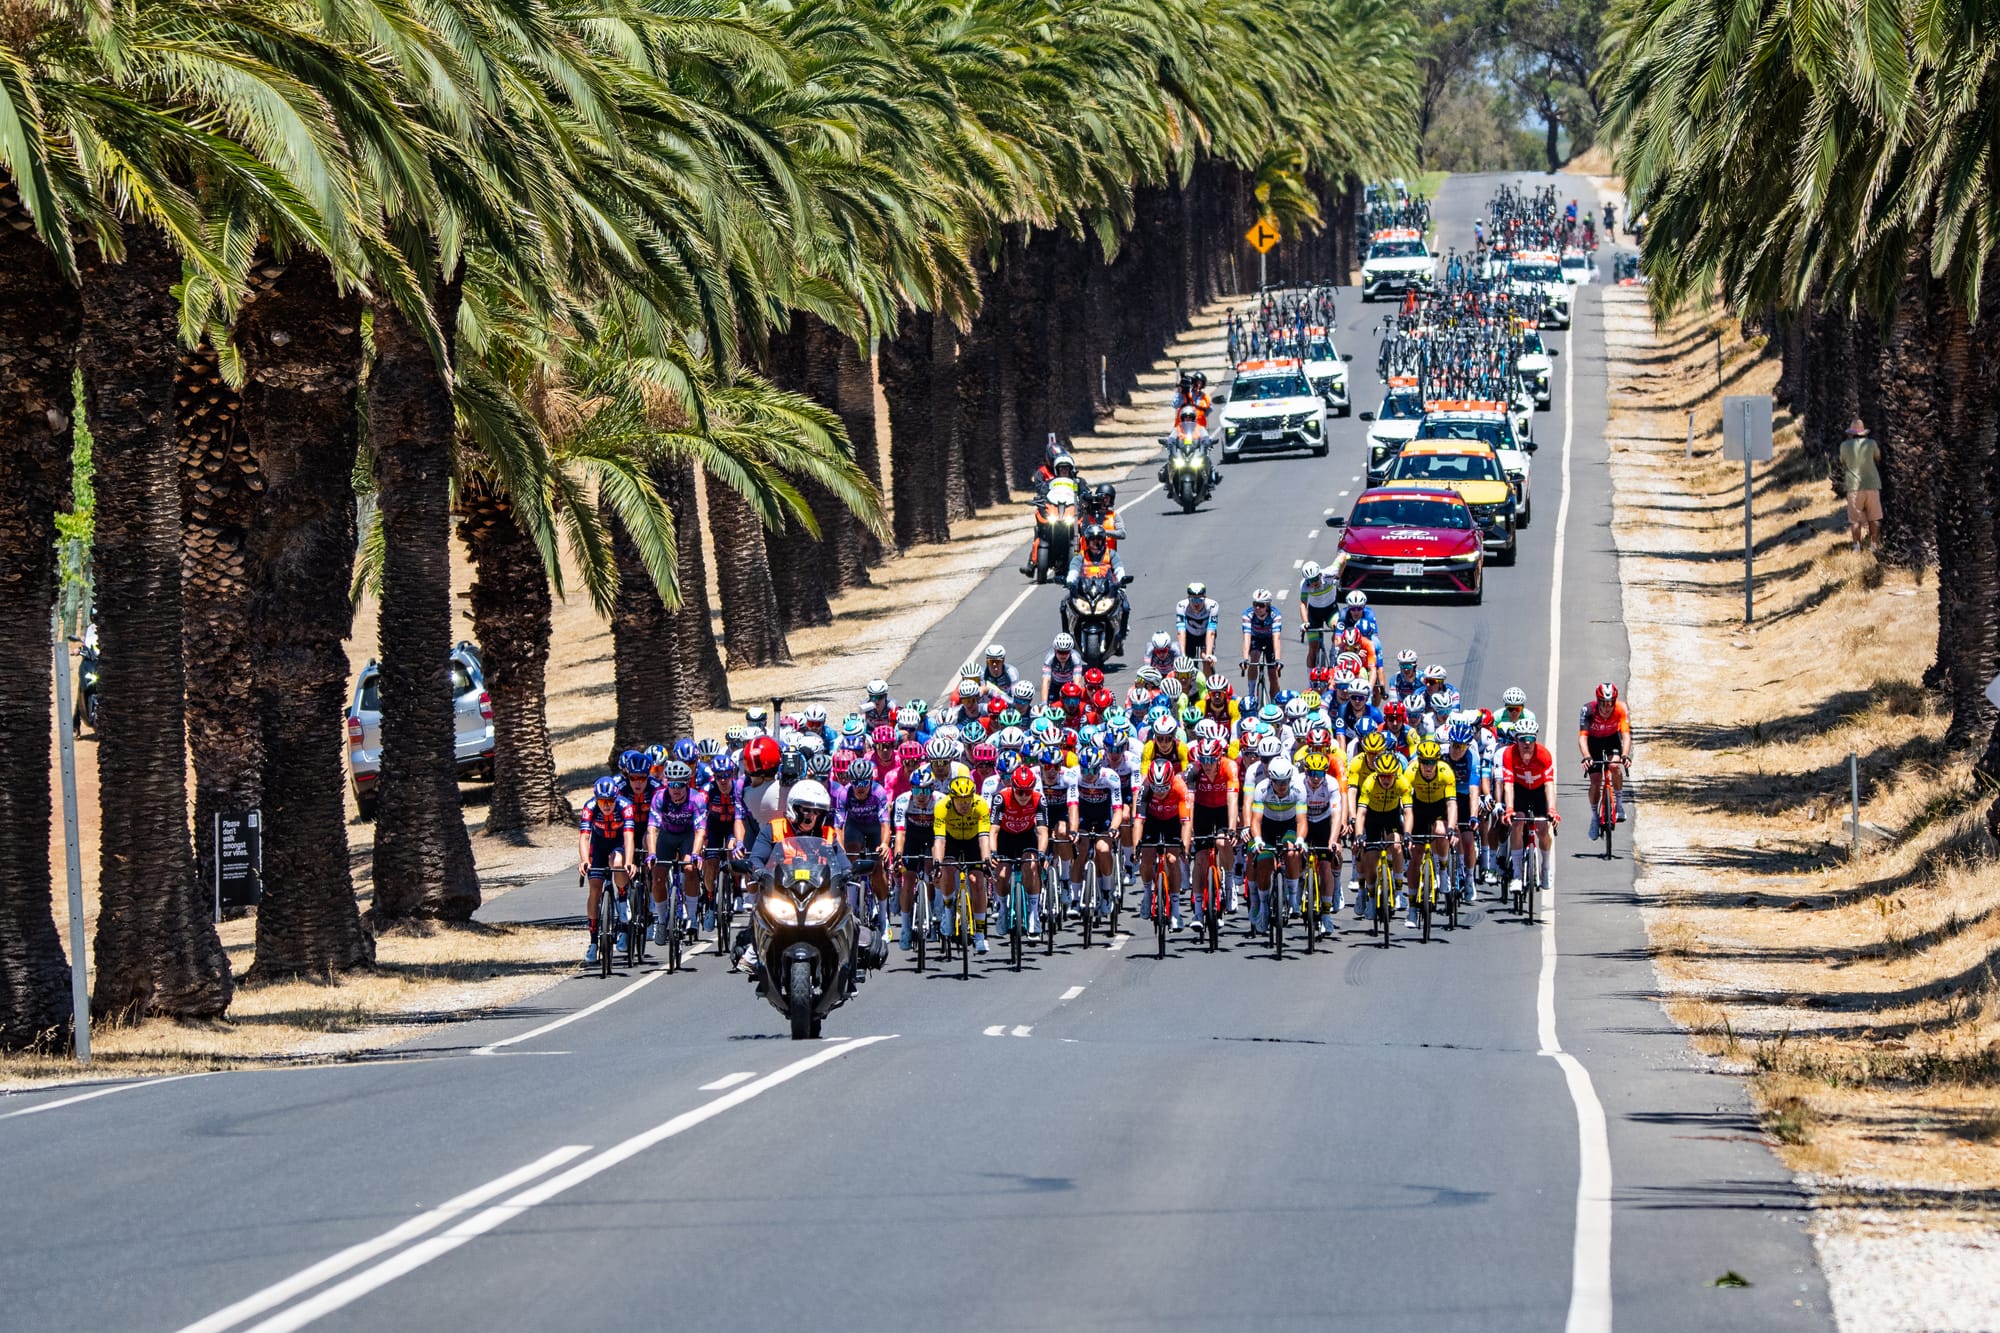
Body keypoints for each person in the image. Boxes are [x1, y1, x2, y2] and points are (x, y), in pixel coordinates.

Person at [932, 774, 993, 955]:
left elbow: (984, 838)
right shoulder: (942, 806)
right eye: (960, 800)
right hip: (951, 840)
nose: (965, 804)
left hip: (974, 840)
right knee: (947, 870)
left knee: (976, 881)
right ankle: (949, 912)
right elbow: (939, 841)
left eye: (968, 799)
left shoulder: (981, 804)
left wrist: (986, 860)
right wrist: (937, 863)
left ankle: (980, 936)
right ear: (952, 798)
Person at [578, 776, 637, 964]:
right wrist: (584, 860)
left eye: (610, 801)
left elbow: (629, 837)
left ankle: (622, 897)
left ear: (616, 797)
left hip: (618, 843)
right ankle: (594, 941)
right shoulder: (589, 808)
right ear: (596, 799)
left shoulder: (625, 806)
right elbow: (584, 838)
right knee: (595, 888)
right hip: (599, 845)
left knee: (618, 863)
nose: (606, 805)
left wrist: (629, 862)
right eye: (602, 801)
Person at [1500, 717, 1557, 902]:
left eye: (1531, 739)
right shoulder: (1509, 754)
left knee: (1542, 830)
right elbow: (1508, 785)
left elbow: (1549, 785)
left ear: (1535, 740)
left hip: (1539, 791)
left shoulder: (1544, 755)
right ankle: (1517, 873)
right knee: (1517, 823)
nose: (1527, 743)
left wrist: (1552, 809)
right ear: (1516, 739)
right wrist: (1509, 809)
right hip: (1520, 790)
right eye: (1523, 739)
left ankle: (1546, 866)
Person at [1577, 682, 1633, 838]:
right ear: (1598, 701)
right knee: (1595, 780)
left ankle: (1619, 805)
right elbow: (1582, 739)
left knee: (1614, 765)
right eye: (1603, 703)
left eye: (1610, 704)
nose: (1607, 708)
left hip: (1611, 740)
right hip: (1593, 742)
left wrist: (1625, 755)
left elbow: (1626, 736)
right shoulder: (1588, 710)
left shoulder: (1621, 709)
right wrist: (1587, 757)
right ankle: (1595, 818)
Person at [1063, 523, 1130, 652]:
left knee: (1125, 605)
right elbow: (1073, 571)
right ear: (1087, 542)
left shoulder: (1111, 554)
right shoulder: (1080, 557)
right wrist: (1069, 582)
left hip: (1107, 591)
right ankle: (1067, 634)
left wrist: (1121, 579)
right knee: (1064, 604)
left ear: (1103, 541)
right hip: (1085, 592)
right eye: (1093, 541)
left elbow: (1119, 568)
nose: (1095, 543)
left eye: (1098, 540)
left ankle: (1121, 635)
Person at [1840, 418, 1882, 553]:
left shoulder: (1844, 446)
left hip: (1853, 486)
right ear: (1863, 432)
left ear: (1851, 433)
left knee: (1855, 520)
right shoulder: (1871, 443)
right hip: (1872, 484)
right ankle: (1874, 545)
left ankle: (1857, 547)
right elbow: (1878, 458)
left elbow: (1843, 462)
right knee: (1874, 518)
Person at [1177, 581, 1219, 664]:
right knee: (1186, 662)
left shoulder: (1212, 606)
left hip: (1205, 635)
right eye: (1193, 600)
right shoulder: (1181, 606)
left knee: (1205, 658)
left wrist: (1209, 655)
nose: (1196, 604)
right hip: (1189, 635)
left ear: (1205, 597)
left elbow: (1211, 632)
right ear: (1188, 597)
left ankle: (1208, 676)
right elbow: (1180, 632)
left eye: (1200, 600)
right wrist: (1182, 654)